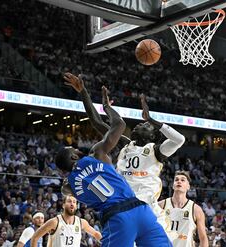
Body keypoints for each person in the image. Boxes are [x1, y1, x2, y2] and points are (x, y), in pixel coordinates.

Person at [52, 86, 172, 247]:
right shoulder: (97, 154)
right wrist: (105, 106)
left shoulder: (68, 187)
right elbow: (118, 124)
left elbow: (98, 124)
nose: (78, 148)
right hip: (141, 209)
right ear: (74, 156)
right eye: (74, 149)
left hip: (118, 217)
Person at [63, 72, 185, 230]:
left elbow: (180, 139)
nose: (139, 125)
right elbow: (97, 122)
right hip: (122, 203)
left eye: (145, 125)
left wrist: (151, 120)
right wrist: (84, 93)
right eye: (142, 123)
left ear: (152, 135)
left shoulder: (156, 151)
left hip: (146, 205)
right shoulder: (126, 145)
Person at [158, 171, 208, 247]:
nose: (179, 181)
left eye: (182, 180)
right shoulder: (161, 205)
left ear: (188, 186)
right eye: (176, 180)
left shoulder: (196, 209)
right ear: (173, 186)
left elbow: (203, 238)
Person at [31, 195, 101, 247]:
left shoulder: (81, 222)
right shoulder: (54, 222)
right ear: (63, 205)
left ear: (76, 206)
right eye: (69, 201)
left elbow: (95, 234)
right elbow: (35, 237)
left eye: (74, 202)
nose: (72, 204)